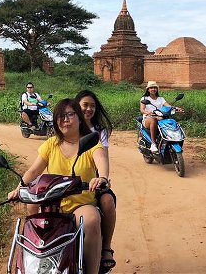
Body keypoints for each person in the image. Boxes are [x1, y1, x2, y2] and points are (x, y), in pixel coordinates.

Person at [7, 98, 109, 274]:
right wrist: (19, 188)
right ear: (55, 121)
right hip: (53, 205)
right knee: (31, 206)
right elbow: (33, 172)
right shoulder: (51, 144)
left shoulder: (91, 143)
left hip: (80, 204)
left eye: (70, 114)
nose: (65, 119)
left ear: (79, 118)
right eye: (60, 116)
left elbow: (102, 163)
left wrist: (102, 178)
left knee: (91, 220)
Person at [74, 89, 117, 273]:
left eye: (92, 106)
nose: (89, 109)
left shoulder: (99, 131)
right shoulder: (69, 125)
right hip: (69, 182)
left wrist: (102, 178)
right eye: (85, 105)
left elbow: (102, 157)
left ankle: (106, 248)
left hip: (92, 181)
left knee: (107, 200)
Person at [140, 81, 183, 153]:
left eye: (155, 88)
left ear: (157, 89)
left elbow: (168, 106)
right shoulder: (144, 98)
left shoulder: (161, 99)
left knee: (171, 121)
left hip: (160, 118)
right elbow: (142, 109)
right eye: (151, 88)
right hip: (148, 119)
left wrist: (176, 108)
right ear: (148, 89)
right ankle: (153, 144)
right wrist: (149, 113)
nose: (153, 89)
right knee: (153, 119)